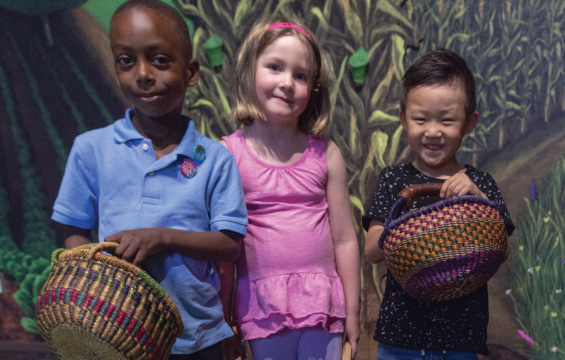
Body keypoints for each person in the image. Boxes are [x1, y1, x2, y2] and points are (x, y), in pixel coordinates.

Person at [50, 1, 248, 359]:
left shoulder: (215, 158)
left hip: (199, 337)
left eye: (159, 60)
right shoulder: (90, 149)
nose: (142, 74)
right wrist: (98, 276)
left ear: (190, 72)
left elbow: (229, 244)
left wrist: (162, 238)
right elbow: (71, 228)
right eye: (126, 61)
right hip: (119, 336)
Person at [218, 16, 360, 360]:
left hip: (323, 306)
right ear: (251, 71)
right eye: (275, 67)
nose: (287, 83)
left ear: (313, 89)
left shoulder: (327, 154)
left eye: (300, 75)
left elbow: (344, 238)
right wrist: (224, 319)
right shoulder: (227, 154)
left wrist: (354, 313)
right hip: (262, 308)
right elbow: (225, 248)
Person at [363, 48, 515, 360]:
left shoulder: (481, 183)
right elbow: (372, 251)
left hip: (462, 340)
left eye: (447, 120)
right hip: (401, 338)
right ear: (403, 119)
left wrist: (478, 201)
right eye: (421, 119)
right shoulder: (393, 180)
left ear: (469, 122)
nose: (433, 132)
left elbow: (502, 250)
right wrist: (410, 229)